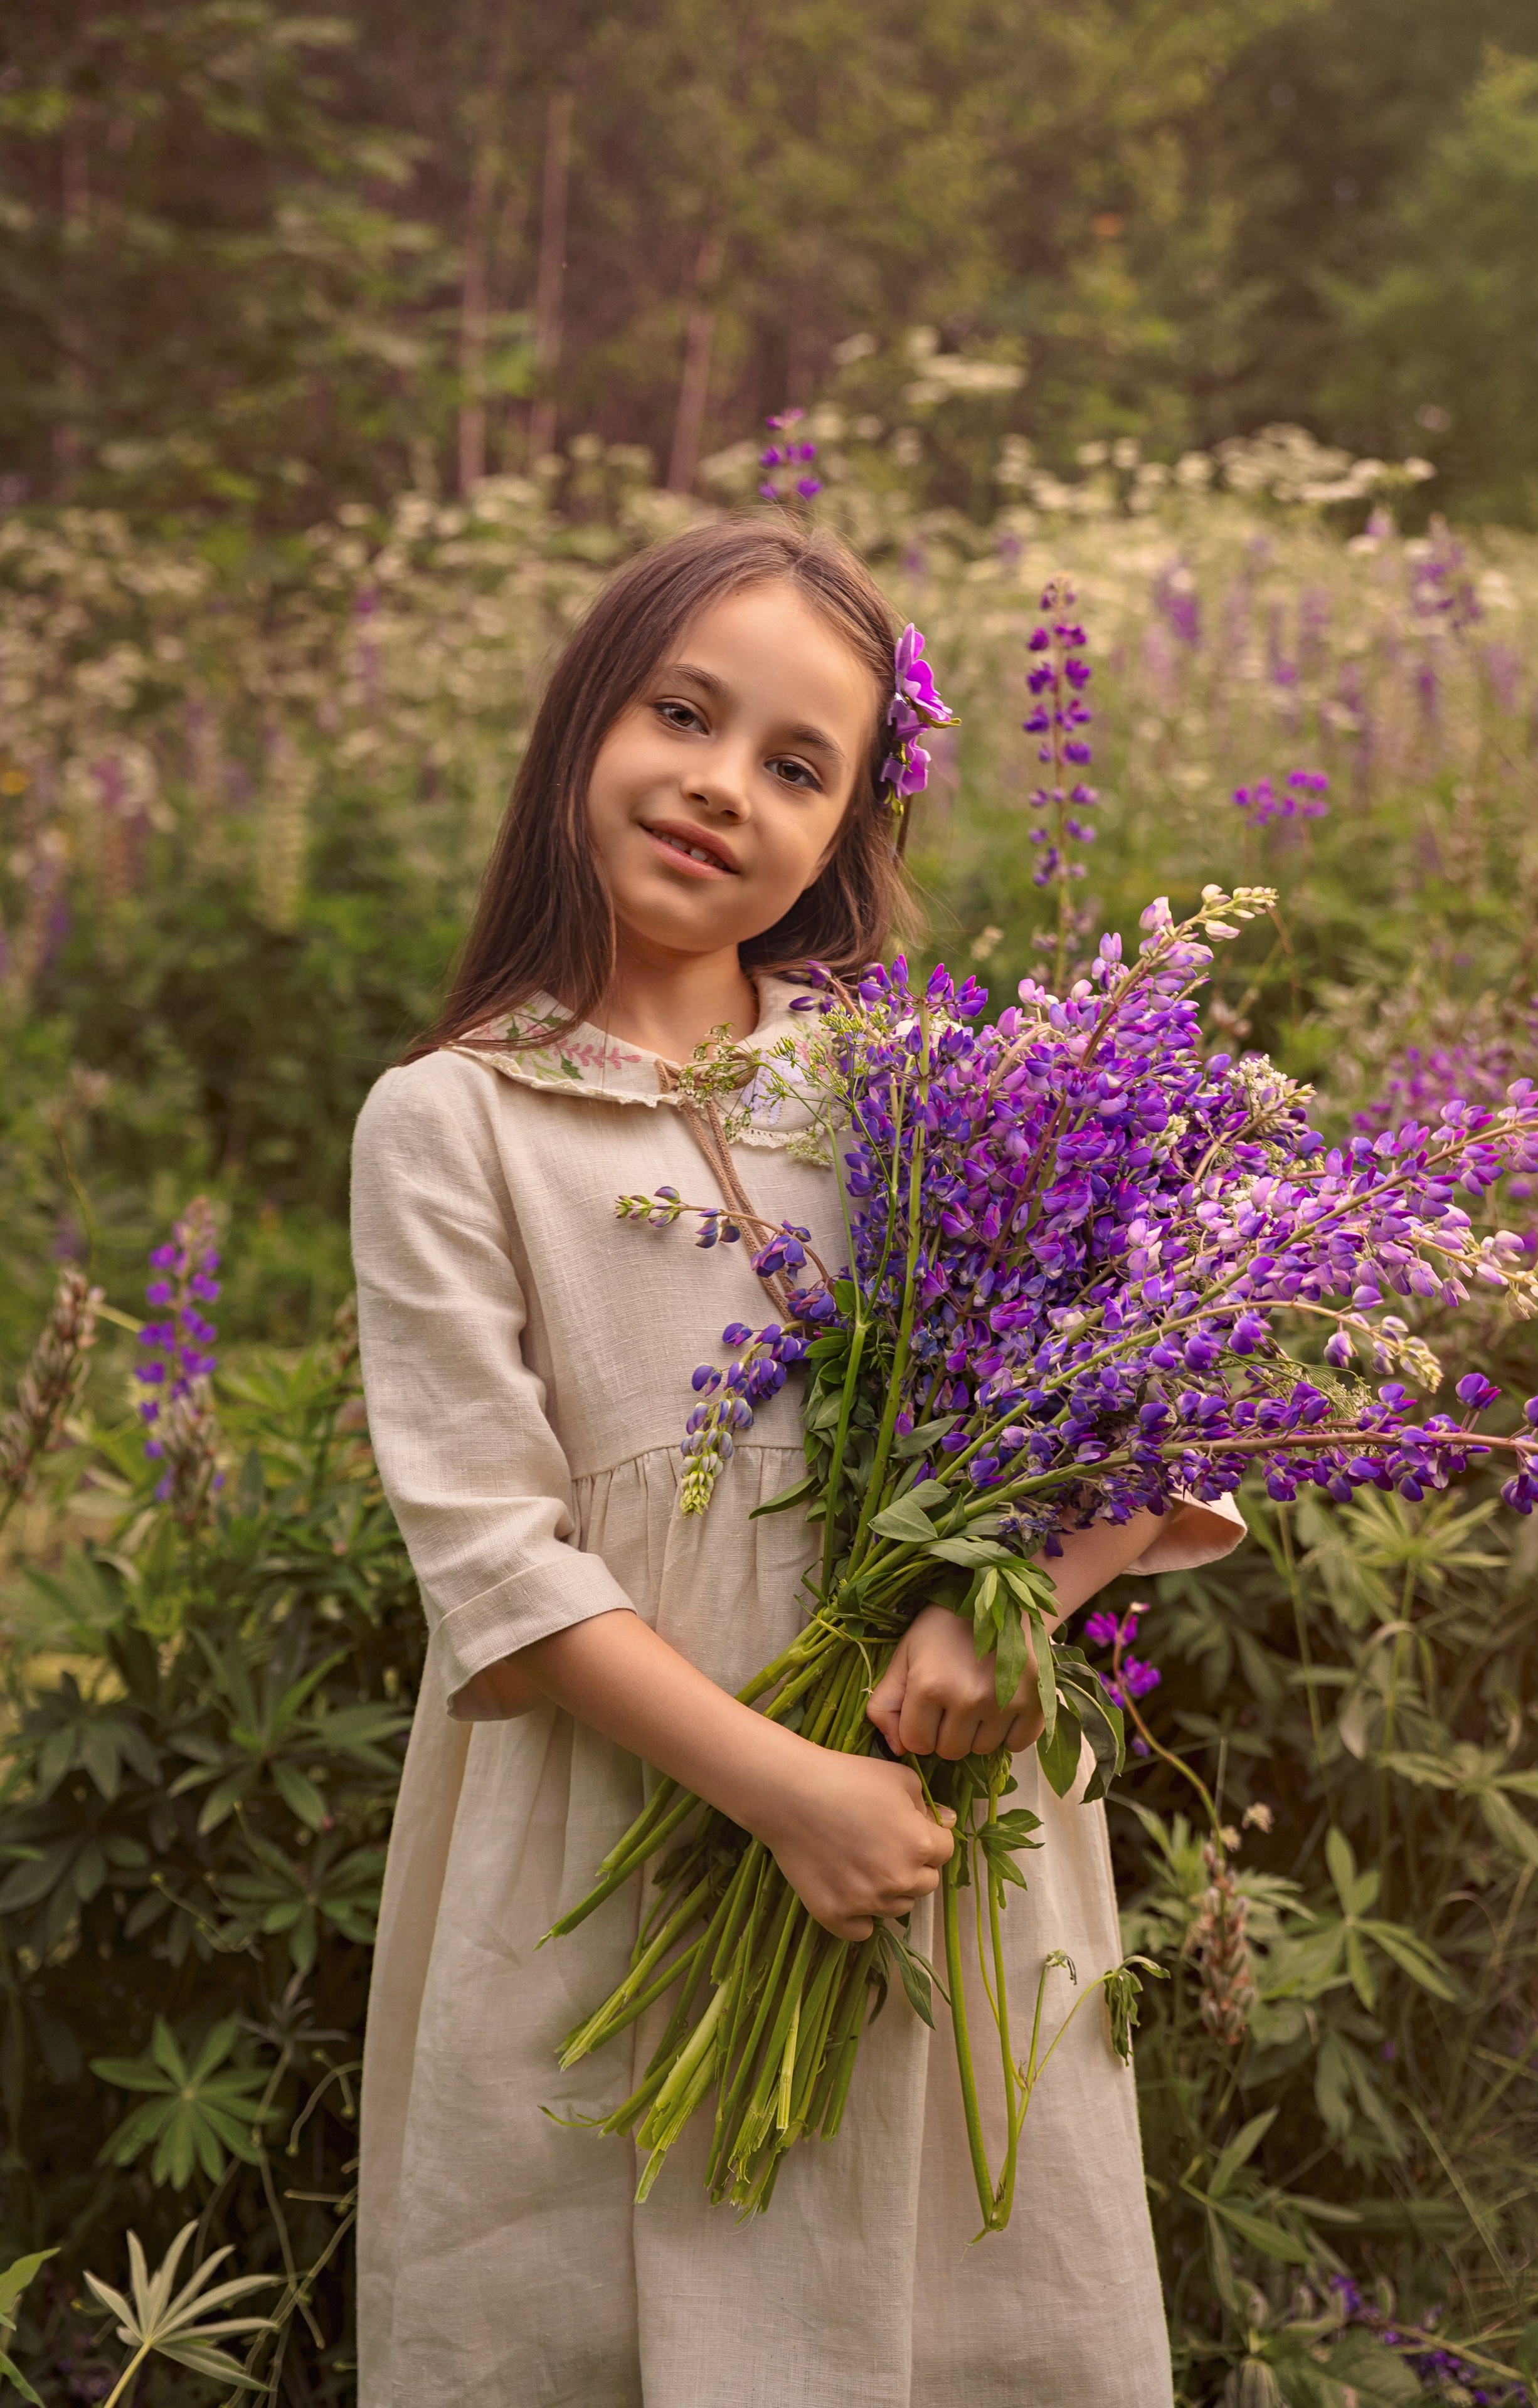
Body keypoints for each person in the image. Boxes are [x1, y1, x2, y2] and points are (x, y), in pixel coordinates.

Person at [349, 517, 1243, 2407]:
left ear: (848, 834)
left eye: (796, 764)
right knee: (588, 2293)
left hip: (935, 1814)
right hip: (625, 1810)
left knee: (959, 2296)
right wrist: (783, 1792)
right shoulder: (453, 1122)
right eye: (683, 712)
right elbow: (494, 1560)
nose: (719, 787)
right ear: (588, 720)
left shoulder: (906, 1083)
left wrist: (1023, 1607)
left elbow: (1134, 1398)